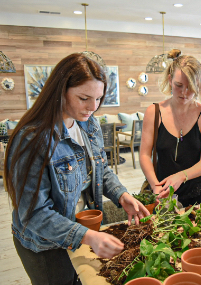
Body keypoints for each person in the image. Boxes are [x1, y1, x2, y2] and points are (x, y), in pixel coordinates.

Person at [5, 53, 150, 285]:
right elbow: (33, 213)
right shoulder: (32, 139)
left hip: (84, 229)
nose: (92, 107)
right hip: (46, 245)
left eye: (98, 99)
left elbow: (100, 168)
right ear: (60, 91)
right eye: (84, 98)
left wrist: (121, 195)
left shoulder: (89, 124)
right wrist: (87, 236)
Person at [139, 49, 201, 207]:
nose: (185, 93)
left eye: (191, 87)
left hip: (199, 192)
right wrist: (155, 186)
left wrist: (182, 176)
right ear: (169, 80)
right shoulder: (154, 112)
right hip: (164, 193)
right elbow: (145, 155)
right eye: (179, 85)